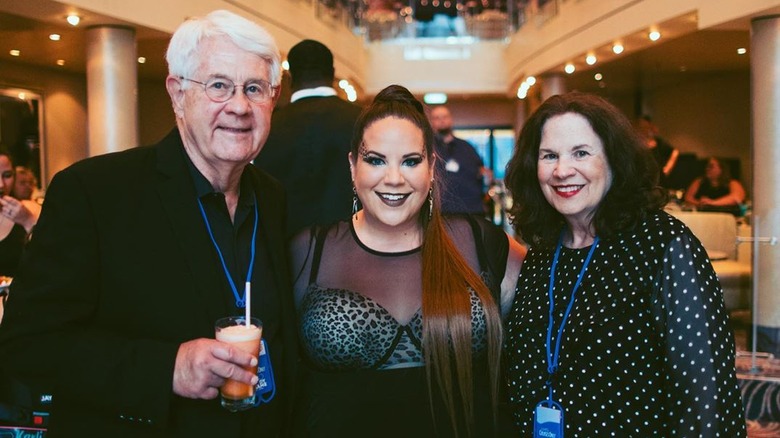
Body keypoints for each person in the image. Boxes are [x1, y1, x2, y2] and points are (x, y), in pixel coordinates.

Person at [0, 10, 297, 437]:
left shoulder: (272, 198)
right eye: (218, 86)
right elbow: (27, 345)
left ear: (273, 98)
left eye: (254, 88)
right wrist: (166, 369)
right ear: (177, 94)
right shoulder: (95, 193)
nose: (239, 106)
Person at [503, 92, 746, 436]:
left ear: (614, 160)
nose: (562, 170)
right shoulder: (544, 251)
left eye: (581, 153)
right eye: (549, 156)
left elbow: (707, 397)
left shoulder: (663, 244)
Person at [289, 84, 525, 437]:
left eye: (411, 161)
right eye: (376, 160)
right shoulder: (309, 250)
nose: (394, 179)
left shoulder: (477, 241)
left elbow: (557, 295)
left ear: (431, 167)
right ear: (353, 166)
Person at [255, 39, 362, 237]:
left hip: (283, 249)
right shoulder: (362, 120)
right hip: (352, 245)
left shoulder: (266, 125)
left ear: (290, 77)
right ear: (331, 73)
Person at [430, 105, 488, 216]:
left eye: (444, 116)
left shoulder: (467, 147)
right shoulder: (427, 148)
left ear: (451, 119)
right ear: (432, 122)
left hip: (471, 209)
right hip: (440, 211)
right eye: (437, 117)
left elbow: (481, 172)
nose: (441, 120)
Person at [0, 153, 38, 276]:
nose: (1, 185)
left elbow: (55, 256)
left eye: (7, 175)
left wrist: (28, 220)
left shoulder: (29, 208)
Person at [636, 115, 679, 188]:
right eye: (641, 127)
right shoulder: (636, 143)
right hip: (642, 178)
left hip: (658, 178)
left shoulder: (658, 142)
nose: (643, 129)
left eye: (646, 127)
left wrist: (668, 168)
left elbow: (675, 152)